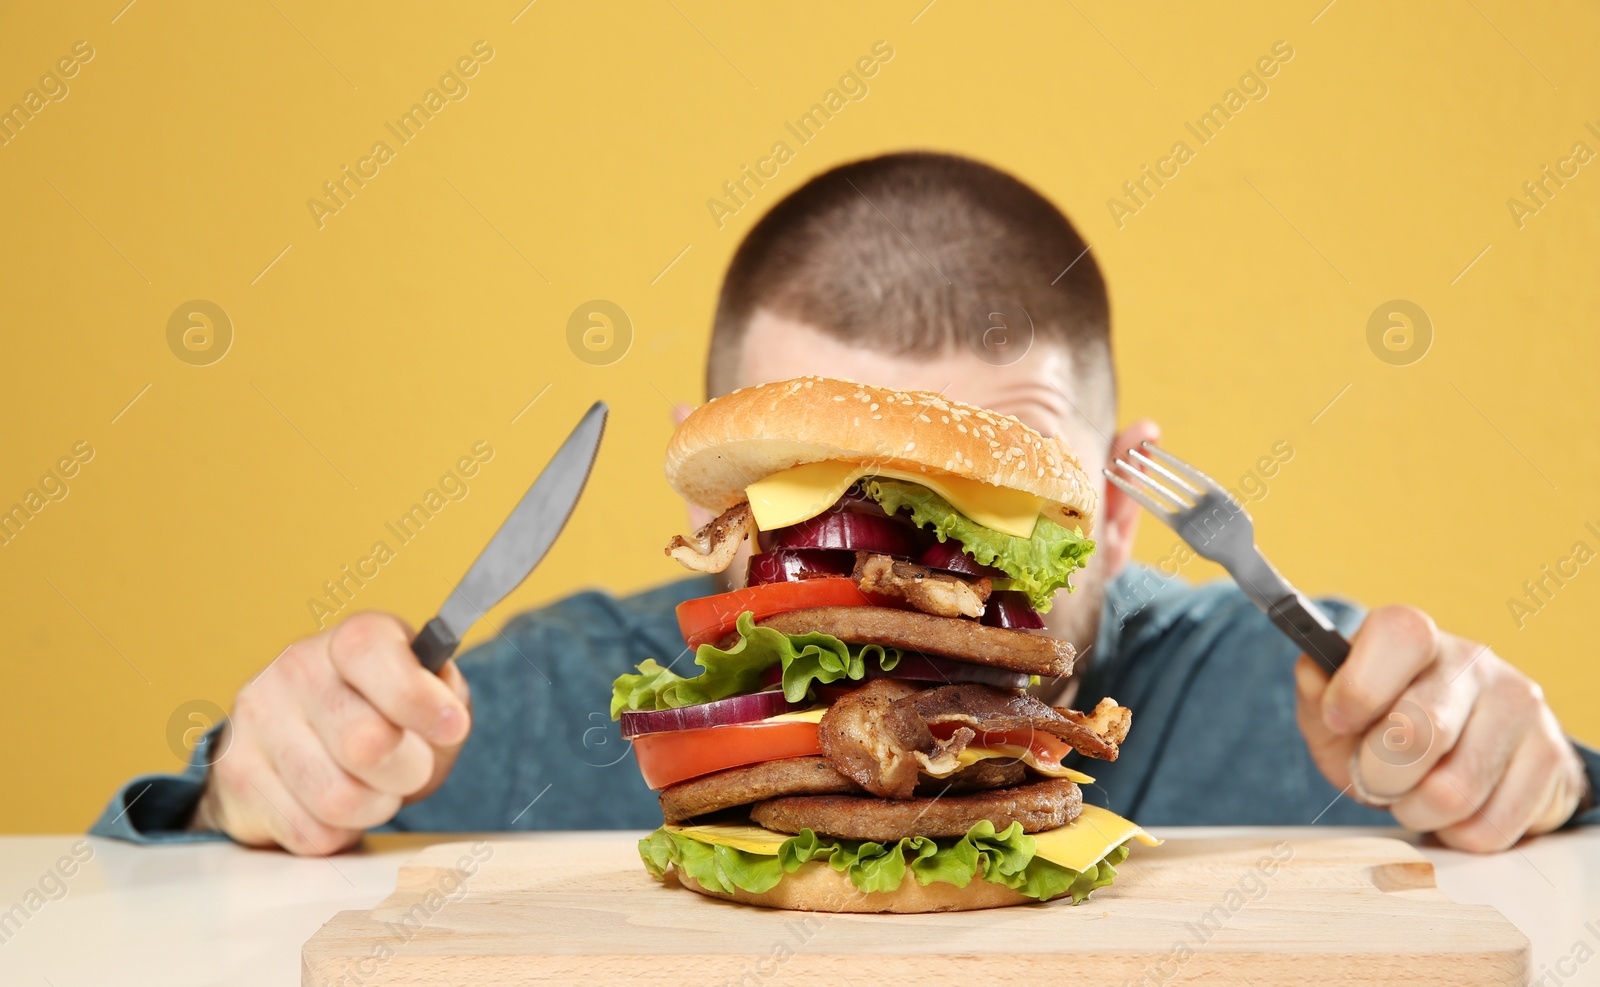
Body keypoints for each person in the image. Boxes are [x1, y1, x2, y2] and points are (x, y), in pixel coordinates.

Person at [93, 151, 1598, 854]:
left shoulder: (1290, 722)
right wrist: (255, 789)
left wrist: (1533, 784)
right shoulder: (539, 715)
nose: (893, 575)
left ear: (1123, 505)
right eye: (828, 509)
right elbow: (160, 907)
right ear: (715, 498)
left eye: (984, 505)